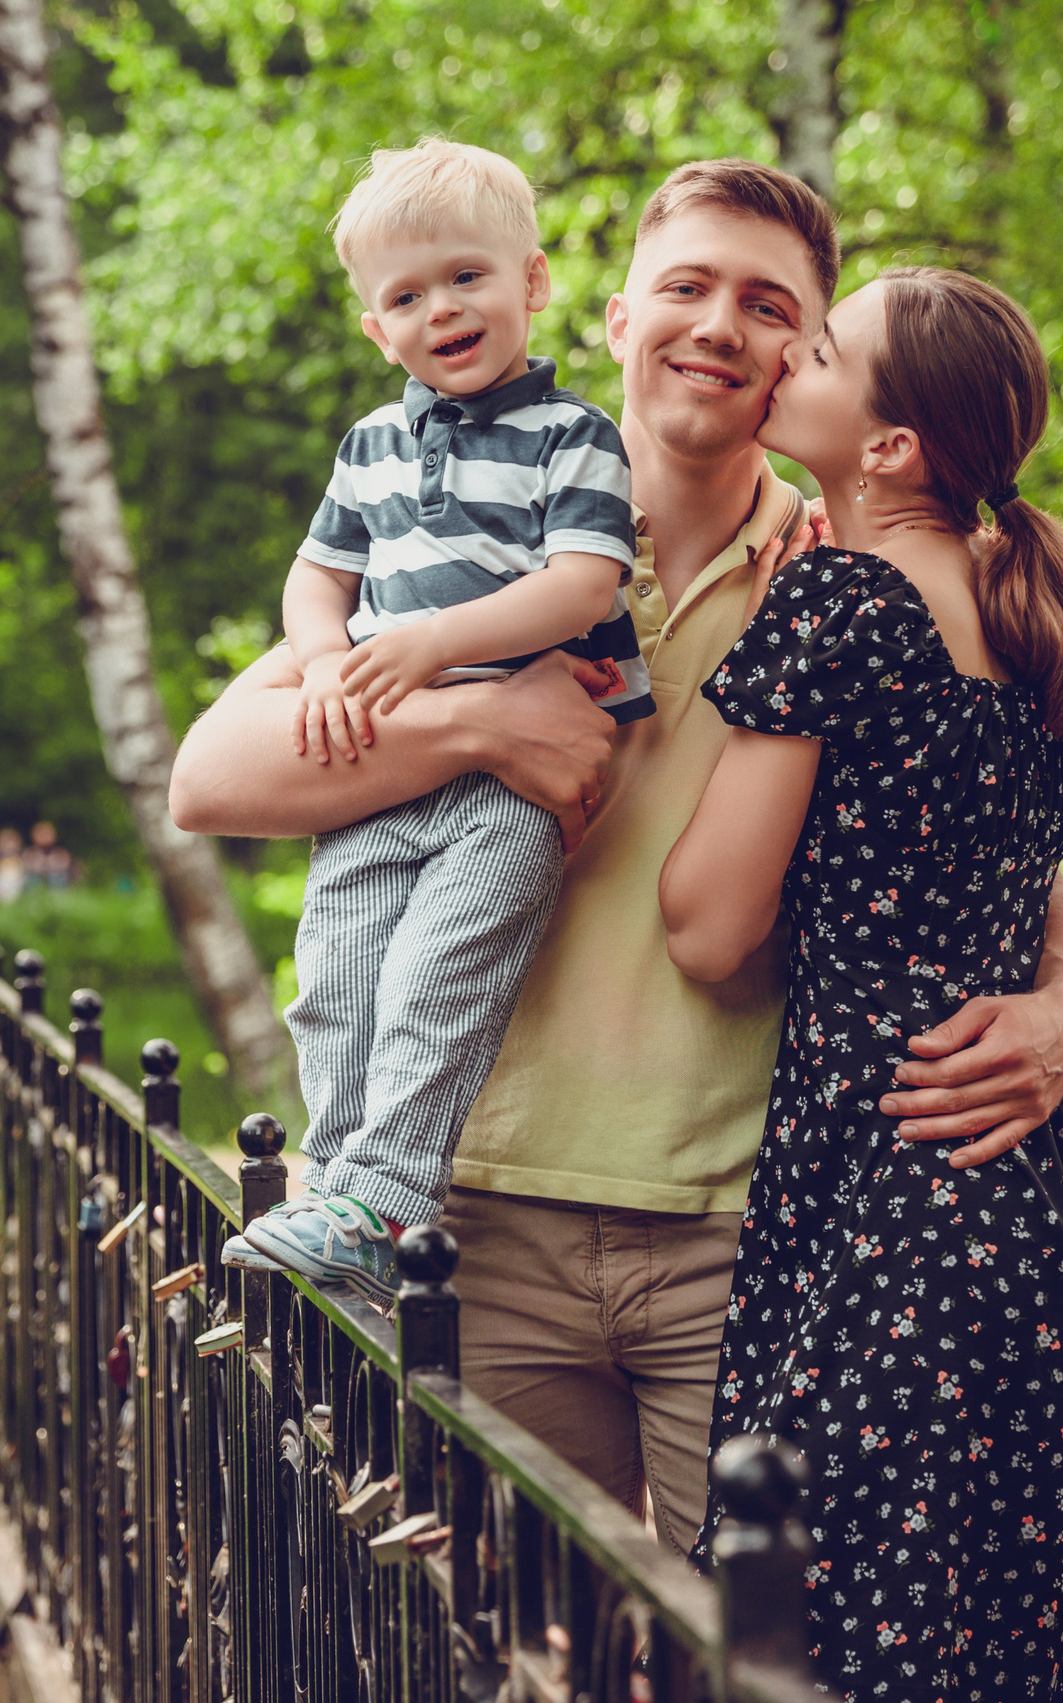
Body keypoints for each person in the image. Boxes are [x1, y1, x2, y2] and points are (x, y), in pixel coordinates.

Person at [171, 160, 1063, 1557]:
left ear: (809, 354)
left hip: (744, 1223)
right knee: (534, 1645)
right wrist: (488, 717)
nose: (719, 324)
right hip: (485, 1222)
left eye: (768, 304)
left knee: (749, 1639)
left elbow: (983, 840)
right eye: (686, 287)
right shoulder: (471, 528)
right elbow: (209, 774)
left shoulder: (837, 581)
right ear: (612, 318)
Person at [663, 267, 1063, 1694]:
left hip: (894, 1198)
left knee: (841, 1640)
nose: (784, 361)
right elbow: (1020, 865)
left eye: (818, 349)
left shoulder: (840, 603)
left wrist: (776, 656)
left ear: (888, 444)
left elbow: (706, 924)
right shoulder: (1059, 591)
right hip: (1050, 1209)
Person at [218, 139, 644, 1305]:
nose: (440, 309)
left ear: (533, 281)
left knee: (434, 975)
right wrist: (320, 662)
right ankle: (340, 1192)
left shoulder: (573, 434)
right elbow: (316, 578)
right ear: (374, 328)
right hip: (386, 770)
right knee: (336, 977)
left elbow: (582, 585)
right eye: (404, 296)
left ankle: (388, 1189)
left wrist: (425, 644)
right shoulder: (369, 446)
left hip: (513, 782)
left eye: (466, 277)